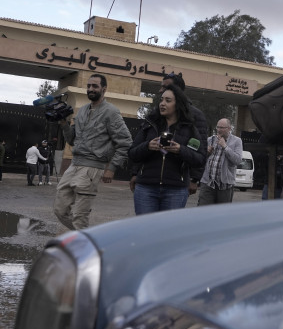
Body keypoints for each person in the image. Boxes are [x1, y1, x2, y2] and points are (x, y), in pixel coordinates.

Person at [54, 74, 132, 230]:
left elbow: (125, 142)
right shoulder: (82, 111)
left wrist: (112, 168)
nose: (90, 89)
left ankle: (83, 248)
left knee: (79, 216)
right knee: (60, 210)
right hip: (74, 165)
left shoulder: (111, 112)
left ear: (104, 89)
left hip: (92, 168)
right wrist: (63, 123)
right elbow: (72, 140)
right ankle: (88, 237)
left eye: (95, 86)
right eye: (89, 86)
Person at [129, 84, 207, 214]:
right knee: (145, 231)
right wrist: (148, 146)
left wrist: (180, 150)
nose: (162, 104)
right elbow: (132, 153)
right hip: (146, 188)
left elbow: (200, 159)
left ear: (178, 104)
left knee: (168, 233)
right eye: (161, 100)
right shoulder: (150, 124)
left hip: (175, 190)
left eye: (168, 100)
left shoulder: (190, 128)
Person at [197, 118, 243, 205]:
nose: (219, 130)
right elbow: (200, 159)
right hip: (208, 183)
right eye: (217, 127)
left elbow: (237, 160)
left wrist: (225, 146)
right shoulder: (210, 140)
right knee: (203, 212)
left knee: (222, 214)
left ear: (229, 128)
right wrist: (206, 153)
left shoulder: (237, 141)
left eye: (222, 127)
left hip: (225, 185)